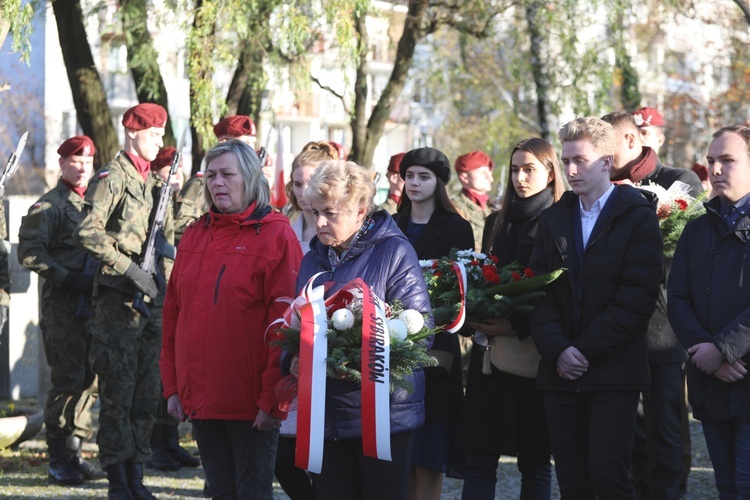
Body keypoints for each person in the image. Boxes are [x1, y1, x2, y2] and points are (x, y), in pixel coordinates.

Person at [160, 139, 302, 499]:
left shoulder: (276, 236)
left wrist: (273, 398)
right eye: (211, 175)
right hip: (202, 398)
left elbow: (286, 327)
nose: (217, 183)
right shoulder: (194, 234)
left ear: (250, 178)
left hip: (250, 401)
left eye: (227, 174)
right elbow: (174, 316)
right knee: (220, 492)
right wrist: (173, 386)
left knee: (252, 493)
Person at [529, 117, 662, 498]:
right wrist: (559, 349)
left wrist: (582, 350)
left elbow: (637, 297)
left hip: (614, 371)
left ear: (606, 161)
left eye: (580, 161)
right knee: (572, 482)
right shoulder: (553, 218)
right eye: (566, 160)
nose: (570, 170)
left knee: (609, 477)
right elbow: (538, 291)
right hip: (559, 370)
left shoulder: (637, 215)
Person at [297, 160, 432, 499]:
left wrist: (359, 364)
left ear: (360, 211)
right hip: (327, 415)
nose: (320, 222)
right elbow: (297, 323)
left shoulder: (395, 251)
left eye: (330, 212)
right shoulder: (312, 258)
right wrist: (293, 359)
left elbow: (421, 328)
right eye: (315, 213)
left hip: (384, 415)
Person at [602, 110, 701, 499]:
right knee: (628, 433)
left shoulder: (681, 181)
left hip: (662, 328)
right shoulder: (600, 185)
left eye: (605, 146)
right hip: (614, 329)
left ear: (631, 141)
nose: (600, 157)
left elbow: (674, 257)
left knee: (665, 430)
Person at [459, 137, 565, 500]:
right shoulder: (496, 221)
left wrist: (514, 324)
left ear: (551, 174)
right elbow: (486, 275)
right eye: (515, 169)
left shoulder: (560, 221)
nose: (520, 177)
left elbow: (558, 290)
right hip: (489, 356)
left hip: (534, 353)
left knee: (534, 460)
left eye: (530, 169)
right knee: (479, 458)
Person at [75, 102, 169, 499]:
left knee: (146, 394)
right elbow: (88, 232)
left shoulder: (151, 182)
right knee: (118, 395)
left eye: (162, 134)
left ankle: (137, 473)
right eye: (153, 135)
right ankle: (118, 479)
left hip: (148, 306)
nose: (159, 141)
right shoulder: (113, 176)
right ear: (133, 132)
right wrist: (129, 270)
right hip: (117, 304)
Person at [668, 125, 750, 499]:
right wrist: (705, 351)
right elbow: (678, 296)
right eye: (711, 161)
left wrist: (725, 349)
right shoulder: (698, 228)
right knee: (727, 488)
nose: (716, 169)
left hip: (745, 373)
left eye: (728, 160)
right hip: (710, 378)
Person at [17, 135, 105, 485]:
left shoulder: (94, 204)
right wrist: (68, 278)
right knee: (67, 380)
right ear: (63, 163)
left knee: (89, 379)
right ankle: (57, 459)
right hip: (63, 309)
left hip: (93, 307)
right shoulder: (48, 207)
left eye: (88, 162)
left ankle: (75, 451)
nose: (83, 168)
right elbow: (29, 253)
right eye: (76, 161)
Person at [392, 147, 473, 500]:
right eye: (409, 175)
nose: (414, 183)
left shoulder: (457, 227)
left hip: (437, 343)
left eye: (423, 176)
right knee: (398, 449)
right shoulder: (390, 225)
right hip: (391, 344)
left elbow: (461, 288)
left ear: (439, 182)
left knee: (431, 446)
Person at [140, 147, 199, 473]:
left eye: (178, 172)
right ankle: (154, 444)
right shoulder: (153, 199)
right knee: (155, 375)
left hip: (172, 294)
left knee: (173, 372)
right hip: (153, 296)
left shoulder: (174, 204)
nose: (175, 178)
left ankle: (169, 441)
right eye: (169, 172)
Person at [284, 141, 339, 254]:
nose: (304, 192)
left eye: (311, 184)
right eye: (298, 184)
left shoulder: (340, 232)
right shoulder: (286, 230)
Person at [452, 150, 495, 251]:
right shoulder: (454, 208)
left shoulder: (492, 206)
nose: (490, 178)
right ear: (464, 178)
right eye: (482, 173)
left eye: (489, 172)